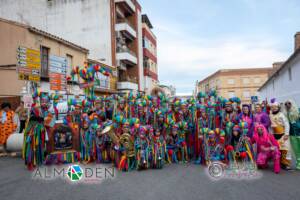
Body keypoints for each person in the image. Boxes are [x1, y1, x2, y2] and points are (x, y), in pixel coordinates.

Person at [269, 100, 291, 170]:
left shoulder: (281, 114)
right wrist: (271, 135)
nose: (274, 108)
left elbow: (287, 124)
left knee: (285, 150)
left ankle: (285, 163)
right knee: (277, 150)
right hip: (275, 136)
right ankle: (278, 162)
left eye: (275, 107)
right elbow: (271, 127)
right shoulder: (271, 115)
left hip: (283, 135)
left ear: (278, 107)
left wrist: (286, 134)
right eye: (272, 107)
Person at [284, 99, 300, 170]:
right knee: (296, 150)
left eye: (289, 103)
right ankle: (299, 163)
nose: (287, 105)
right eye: (286, 104)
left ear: (292, 103)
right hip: (292, 134)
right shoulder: (285, 114)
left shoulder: (298, 111)